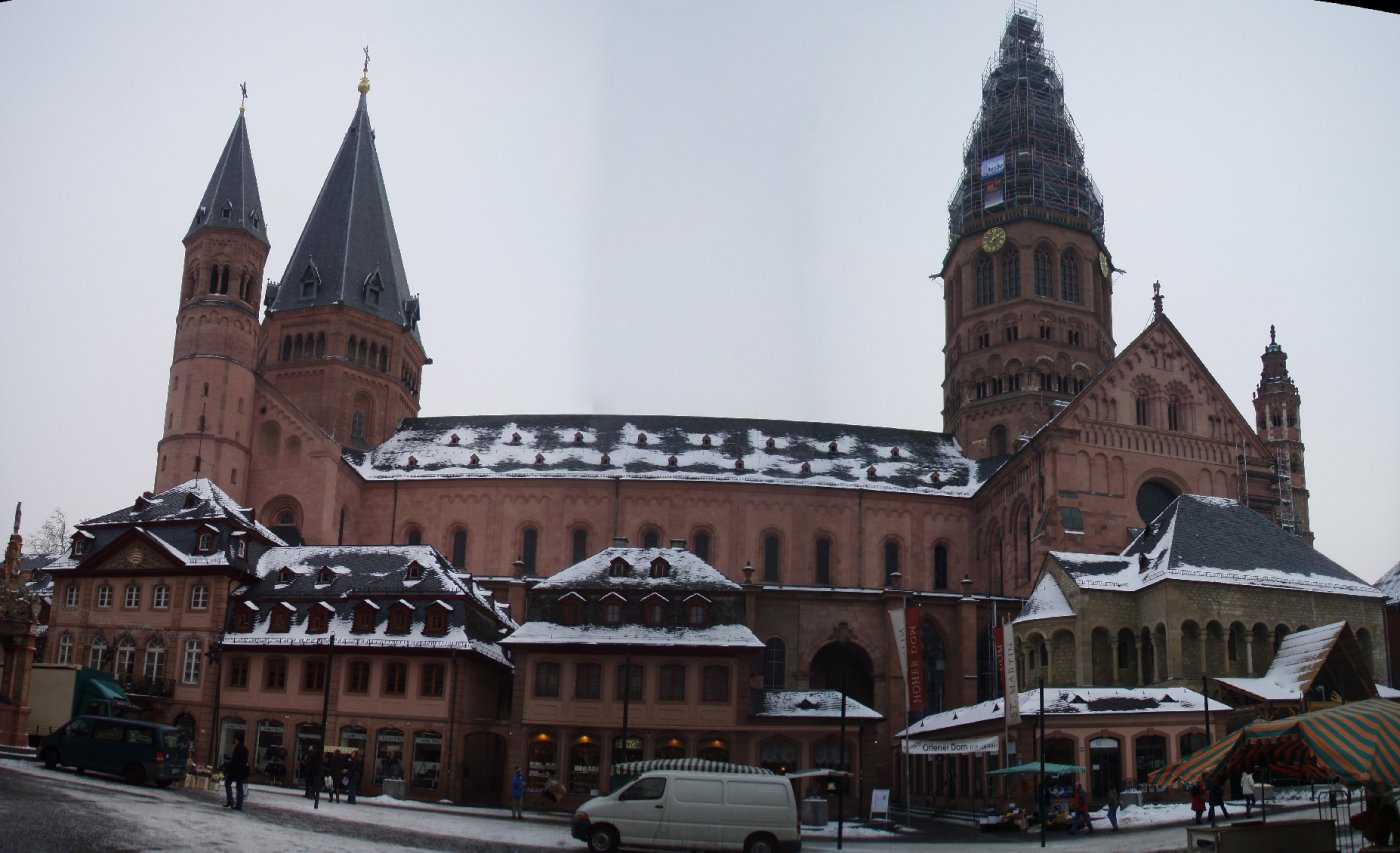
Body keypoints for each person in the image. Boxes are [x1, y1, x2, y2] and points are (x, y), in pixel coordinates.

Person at [223, 733, 250, 811]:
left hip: (235, 771)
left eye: (235, 739)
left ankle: (230, 801)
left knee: (227, 783)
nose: (234, 740)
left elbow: (234, 762)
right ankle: (239, 804)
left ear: (237, 740)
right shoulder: (245, 749)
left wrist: (227, 771)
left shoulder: (237, 749)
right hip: (242, 771)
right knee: (239, 787)